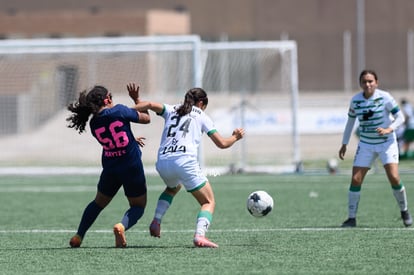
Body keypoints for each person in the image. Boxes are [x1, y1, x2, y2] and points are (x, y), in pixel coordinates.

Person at [135, 86, 245, 248]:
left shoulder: (171, 109)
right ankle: (200, 236)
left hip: (163, 161)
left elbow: (150, 104)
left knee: (172, 188)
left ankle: (156, 220)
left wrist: (125, 109)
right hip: (184, 161)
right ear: (201, 103)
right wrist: (236, 137)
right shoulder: (202, 116)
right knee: (208, 201)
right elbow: (222, 144)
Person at [66, 83, 150, 248]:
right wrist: (136, 99)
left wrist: (131, 140)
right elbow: (147, 119)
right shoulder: (120, 110)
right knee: (138, 206)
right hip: (131, 166)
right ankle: (121, 226)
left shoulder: (93, 123)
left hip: (111, 168)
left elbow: (114, 139)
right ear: (107, 99)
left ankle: (79, 235)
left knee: (98, 203)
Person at [338, 69, 412, 228]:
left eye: (370, 81)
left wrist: (389, 129)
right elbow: (350, 122)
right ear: (360, 84)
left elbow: (401, 117)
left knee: (393, 177)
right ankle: (351, 218)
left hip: (387, 143)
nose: (367, 84)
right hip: (366, 144)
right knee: (356, 179)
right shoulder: (356, 101)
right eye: (364, 81)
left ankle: (404, 210)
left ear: (376, 83)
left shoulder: (385, 97)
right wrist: (344, 143)